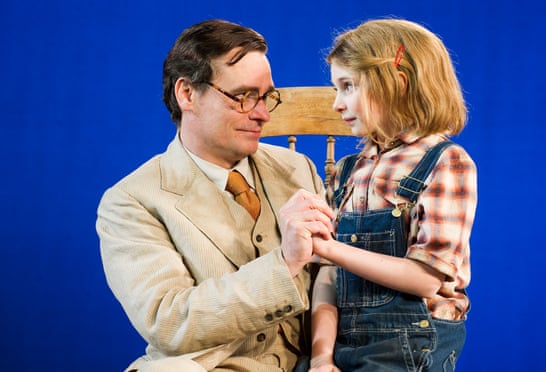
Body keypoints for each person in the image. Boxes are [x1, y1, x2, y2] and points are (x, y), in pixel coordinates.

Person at [96, 19, 333, 372]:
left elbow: (335, 276)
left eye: (267, 96)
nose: (263, 115)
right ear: (187, 93)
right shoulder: (131, 201)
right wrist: (284, 263)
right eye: (243, 97)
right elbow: (169, 322)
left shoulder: (298, 169)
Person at [309, 19, 478, 372]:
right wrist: (321, 357)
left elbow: (425, 278)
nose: (337, 104)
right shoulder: (347, 170)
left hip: (410, 343)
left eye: (348, 86)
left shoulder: (446, 162)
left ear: (397, 85)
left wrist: (329, 248)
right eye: (335, 88)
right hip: (342, 340)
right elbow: (327, 275)